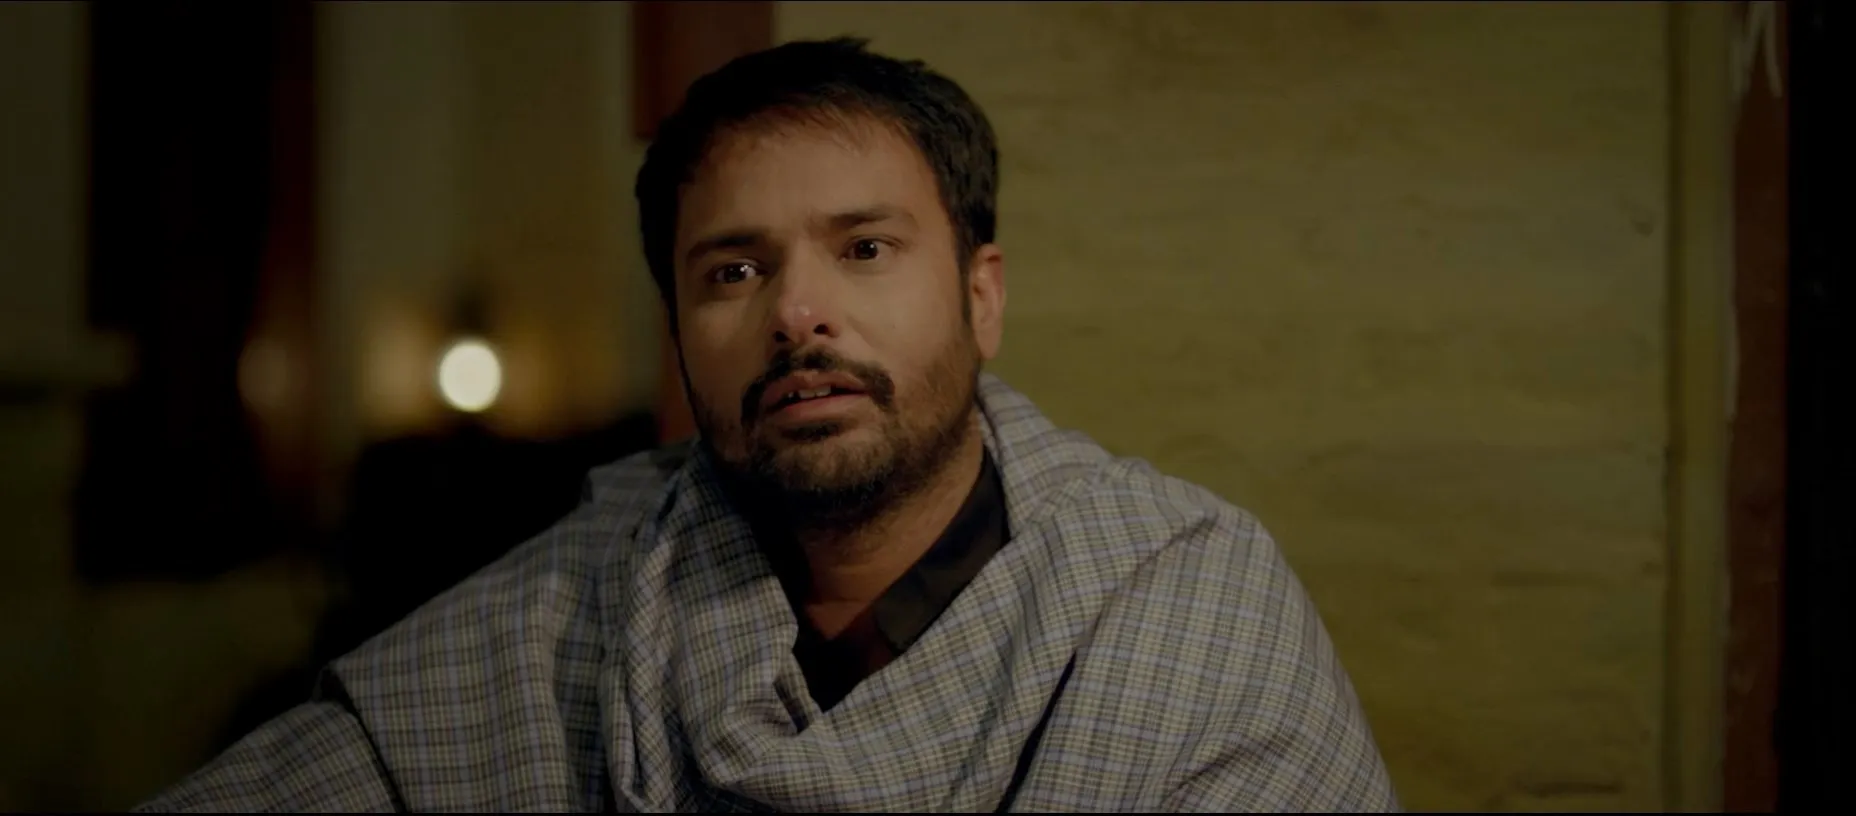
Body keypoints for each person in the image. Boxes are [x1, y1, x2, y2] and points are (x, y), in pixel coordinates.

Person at [140, 38, 1398, 813]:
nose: (798, 314)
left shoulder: (1177, 602)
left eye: (865, 249)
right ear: (680, 335)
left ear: (981, 296)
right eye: (733, 272)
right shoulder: (578, 601)